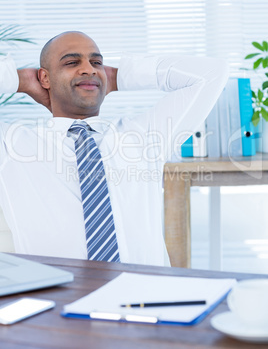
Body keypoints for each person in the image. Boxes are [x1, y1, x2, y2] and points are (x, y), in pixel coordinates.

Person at [0, 31, 229, 266]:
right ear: (44, 78)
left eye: (96, 62)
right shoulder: (13, 145)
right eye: (71, 62)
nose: (89, 69)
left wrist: (119, 77)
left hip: (146, 293)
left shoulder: (145, 135)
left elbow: (212, 73)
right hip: (60, 297)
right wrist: (20, 81)